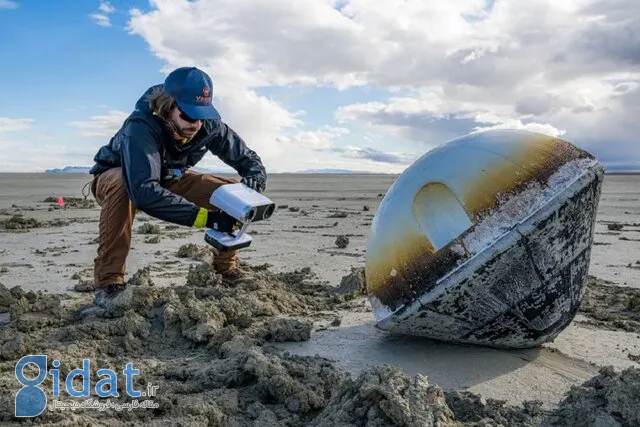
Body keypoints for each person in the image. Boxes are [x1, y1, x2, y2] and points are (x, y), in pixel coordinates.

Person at [88, 66, 267, 307]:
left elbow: (248, 159)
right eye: (189, 116)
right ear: (168, 106)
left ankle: (225, 268)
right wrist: (208, 219)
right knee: (123, 185)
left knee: (232, 194)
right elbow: (143, 191)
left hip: (171, 177)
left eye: (202, 115)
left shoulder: (209, 125)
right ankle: (109, 282)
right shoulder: (140, 127)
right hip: (121, 178)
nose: (197, 124)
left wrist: (254, 180)